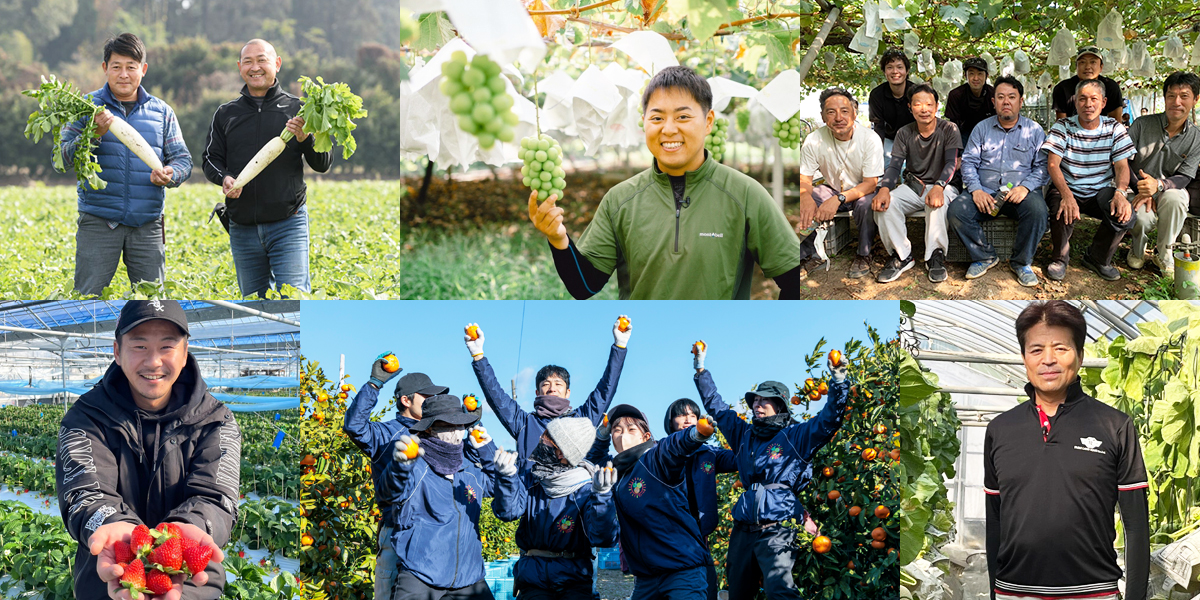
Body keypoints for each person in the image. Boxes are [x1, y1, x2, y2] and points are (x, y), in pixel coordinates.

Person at [526, 66, 805, 300]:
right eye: (657, 117)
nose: (668, 129)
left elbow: (793, 277)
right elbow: (584, 286)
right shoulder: (620, 199)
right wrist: (559, 239)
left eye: (683, 117)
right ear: (644, 122)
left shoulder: (744, 194)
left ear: (708, 122)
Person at [55, 300, 234, 600]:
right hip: (110, 583)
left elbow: (216, 498)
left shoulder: (217, 420)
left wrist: (182, 533)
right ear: (117, 351)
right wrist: (113, 526)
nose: (153, 362)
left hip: (191, 587)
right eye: (139, 346)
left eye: (167, 347)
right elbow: (85, 493)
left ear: (184, 352)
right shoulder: (84, 418)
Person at [984, 301, 1149, 600]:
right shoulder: (1000, 429)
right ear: (1024, 358)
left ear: (1080, 356)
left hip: (1094, 593)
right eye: (1036, 350)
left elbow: (1136, 526)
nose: (1048, 359)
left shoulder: (1115, 425)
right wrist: (995, 591)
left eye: (1061, 348)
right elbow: (994, 520)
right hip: (1015, 592)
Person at [692, 343, 848, 600]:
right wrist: (700, 369)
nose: (757, 404)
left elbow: (829, 420)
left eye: (765, 400)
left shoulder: (795, 436)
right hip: (743, 529)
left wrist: (839, 381)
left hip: (778, 528)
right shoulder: (743, 434)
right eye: (756, 400)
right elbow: (716, 407)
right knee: (738, 592)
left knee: (779, 590)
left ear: (781, 405)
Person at [342, 356, 494, 600]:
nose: (432, 400)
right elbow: (355, 426)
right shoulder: (387, 434)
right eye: (426, 396)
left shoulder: (441, 431)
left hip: (441, 534)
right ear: (406, 400)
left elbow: (465, 465)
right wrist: (374, 384)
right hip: (398, 531)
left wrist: (467, 422)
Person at [59, 33, 193, 296]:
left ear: (142, 70)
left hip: (148, 224)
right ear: (104, 68)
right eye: (116, 67)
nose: (123, 74)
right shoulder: (86, 108)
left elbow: (183, 159)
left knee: (153, 302)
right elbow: (61, 158)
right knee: (88, 299)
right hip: (99, 221)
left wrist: (171, 173)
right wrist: (92, 135)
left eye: (131, 67)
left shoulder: (162, 112)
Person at [202, 39, 332, 297]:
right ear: (240, 67)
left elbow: (323, 163)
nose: (255, 67)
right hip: (242, 226)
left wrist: (306, 139)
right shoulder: (226, 113)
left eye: (262, 59)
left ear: (277, 64)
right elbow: (210, 159)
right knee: (253, 303)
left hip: (288, 224)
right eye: (248, 61)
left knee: (294, 300)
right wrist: (225, 177)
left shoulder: (300, 110)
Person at [380, 395, 522, 599]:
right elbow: (389, 492)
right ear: (429, 429)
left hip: (469, 577)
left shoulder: (469, 470)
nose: (455, 432)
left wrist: (488, 452)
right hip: (422, 575)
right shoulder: (416, 467)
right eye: (447, 425)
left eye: (459, 425)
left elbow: (501, 497)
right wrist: (399, 466)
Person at [589, 404, 715, 599]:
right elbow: (594, 459)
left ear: (646, 437)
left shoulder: (655, 458)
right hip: (646, 578)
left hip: (681, 572)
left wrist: (695, 434)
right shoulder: (616, 473)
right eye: (617, 430)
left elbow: (674, 446)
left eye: (631, 429)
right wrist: (601, 436)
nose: (623, 435)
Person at [492, 417, 618, 600]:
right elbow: (509, 512)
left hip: (573, 583)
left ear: (561, 453)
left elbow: (603, 537)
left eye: (546, 439)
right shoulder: (532, 479)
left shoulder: (586, 489)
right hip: (533, 581)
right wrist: (506, 477)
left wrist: (602, 496)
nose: (540, 440)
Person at [465, 318, 629, 459]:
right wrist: (478, 355)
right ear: (537, 393)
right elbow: (497, 397)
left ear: (568, 393)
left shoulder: (582, 420)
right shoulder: (525, 424)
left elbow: (605, 391)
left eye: (558, 384)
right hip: (530, 495)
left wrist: (619, 346)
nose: (552, 388)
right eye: (546, 384)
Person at [949, 76, 1049, 287]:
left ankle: (1021, 262)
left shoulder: (1034, 131)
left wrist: (1025, 187)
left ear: (1021, 102)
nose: (1006, 102)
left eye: (1012, 97)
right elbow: (968, 163)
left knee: (1038, 211)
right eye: (1001, 97)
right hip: (986, 194)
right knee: (957, 211)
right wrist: (976, 190)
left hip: (1020, 195)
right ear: (993, 102)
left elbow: (1042, 167)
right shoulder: (981, 129)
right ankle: (984, 256)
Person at [1042, 79, 1136, 281]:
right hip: (1068, 186)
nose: (1088, 104)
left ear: (1103, 102)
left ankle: (1097, 258)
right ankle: (1060, 258)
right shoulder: (1063, 126)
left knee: (1124, 214)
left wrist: (1121, 192)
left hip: (1100, 191)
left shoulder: (1114, 128)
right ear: (1075, 102)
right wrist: (1067, 195)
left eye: (1094, 99)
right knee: (1060, 206)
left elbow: (1121, 166)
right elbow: (1053, 164)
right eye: (1082, 99)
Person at [872, 84, 962, 284]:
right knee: (887, 204)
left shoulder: (949, 128)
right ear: (910, 107)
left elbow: (951, 162)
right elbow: (894, 166)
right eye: (918, 104)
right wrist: (884, 189)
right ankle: (902, 256)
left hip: (944, 185)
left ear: (937, 106)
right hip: (915, 186)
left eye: (929, 104)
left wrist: (939, 187)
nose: (924, 109)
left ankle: (935, 256)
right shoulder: (904, 133)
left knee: (936, 202)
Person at [795, 87, 884, 280]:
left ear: (854, 113)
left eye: (844, 111)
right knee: (806, 200)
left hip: (864, 190)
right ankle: (811, 254)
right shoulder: (814, 140)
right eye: (831, 112)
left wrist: (838, 199)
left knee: (865, 204)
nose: (838, 117)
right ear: (823, 116)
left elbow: (870, 184)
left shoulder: (870, 138)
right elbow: (805, 178)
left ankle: (864, 254)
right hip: (834, 187)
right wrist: (804, 195)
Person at [663, 399, 739, 600]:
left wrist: (729, 427)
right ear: (671, 421)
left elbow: (740, 458)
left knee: (707, 588)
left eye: (693, 415)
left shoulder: (708, 453)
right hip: (670, 535)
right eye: (681, 415)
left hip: (699, 535)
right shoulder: (660, 452)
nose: (687, 419)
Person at [1126, 72, 1200, 276]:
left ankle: (1164, 253)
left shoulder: (1196, 138)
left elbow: (1185, 176)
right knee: (1141, 217)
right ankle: (1137, 249)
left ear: (1195, 99)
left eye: (1184, 96)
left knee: (1175, 198)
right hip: (1137, 187)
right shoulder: (1142, 124)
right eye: (1171, 95)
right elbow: (1124, 162)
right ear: (1165, 97)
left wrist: (1158, 186)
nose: (1176, 102)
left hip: (1169, 190)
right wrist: (1143, 190)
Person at [868, 48, 916, 167]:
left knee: (909, 169)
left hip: (914, 137)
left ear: (907, 70)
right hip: (889, 139)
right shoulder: (877, 95)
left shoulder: (916, 92)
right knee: (887, 165)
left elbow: (924, 121)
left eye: (900, 67)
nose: (895, 71)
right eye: (890, 67)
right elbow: (878, 126)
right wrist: (877, 153)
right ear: (884, 72)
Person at [1051, 46, 1125, 121]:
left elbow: (1116, 121)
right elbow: (1061, 123)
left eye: (1093, 62)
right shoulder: (1063, 88)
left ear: (1101, 67)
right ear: (1076, 67)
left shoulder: (1110, 87)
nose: (1088, 67)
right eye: (1082, 62)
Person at [944, 57, 996, 147]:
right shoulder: (956, 95)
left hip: (989, 133)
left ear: (987, 76)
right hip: (964, 134)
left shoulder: (994, 94)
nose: (976, 78)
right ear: (965, 76)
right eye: (971, 74)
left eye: (980, 74)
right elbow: (953, 125)